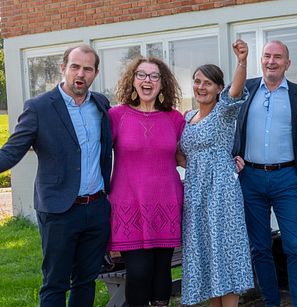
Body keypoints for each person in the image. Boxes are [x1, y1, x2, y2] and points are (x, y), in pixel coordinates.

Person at [0, 45, 111, 306]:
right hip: (59, 210)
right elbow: (12, 151)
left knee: (86, 280)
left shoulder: (101, 104)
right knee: (55, 282)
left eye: (87, 68)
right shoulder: (39, 108)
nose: (80, 74)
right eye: (74, 67)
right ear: (63, 69)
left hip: (96, 208)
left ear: (95, 72)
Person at [232, 40, 297, 307]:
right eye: (267, 56)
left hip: (286, 178)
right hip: (251, 179)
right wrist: (232, 154)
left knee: (294, 246)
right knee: (259, 248)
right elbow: (226, 122)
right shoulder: (246, 89)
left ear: (287, 63)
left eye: (277, 57)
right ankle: (271, 302)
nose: (271, 61)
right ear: (261, 60)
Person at [180, 40, 253, 306]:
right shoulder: (187, 118)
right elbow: (179, 152)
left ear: (218, 88)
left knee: (225, 248)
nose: (201, 87)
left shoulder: (223, 112)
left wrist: (242, 61)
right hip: (195, 192)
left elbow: (236, 91)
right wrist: (195, 165)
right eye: (197, 81)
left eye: (207, 83)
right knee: (205, 250)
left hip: (220, 191)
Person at [108, 57, 185, 307]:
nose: (147, 80)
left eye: (154, 76)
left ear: (162, 84)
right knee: (139, 273)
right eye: (141, 75)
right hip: (129, 204)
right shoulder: (116, 116)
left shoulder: (174, 119)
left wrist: (230, 162)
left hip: (167, 203)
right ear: (132, 81)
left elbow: (189, 157)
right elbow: (93, 153)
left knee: (162, 270)